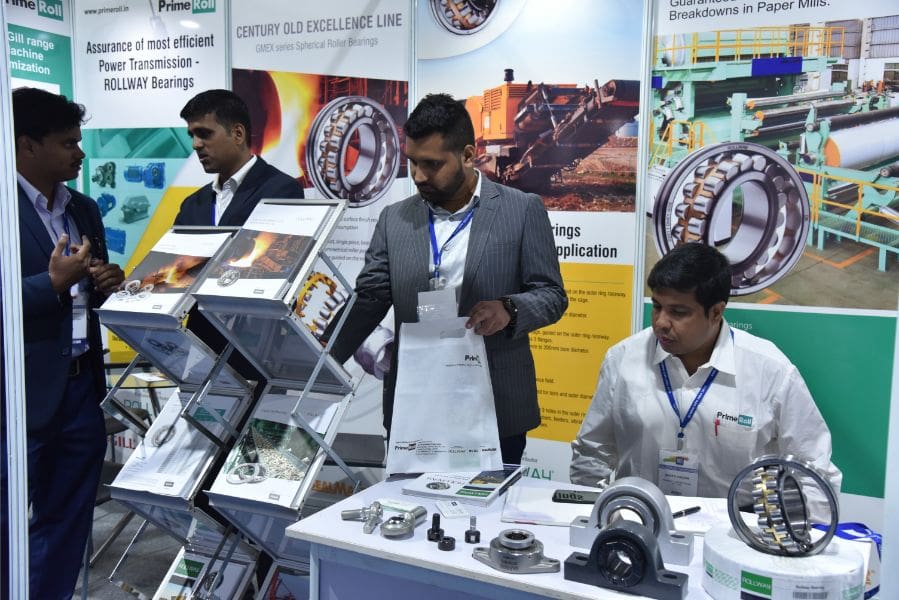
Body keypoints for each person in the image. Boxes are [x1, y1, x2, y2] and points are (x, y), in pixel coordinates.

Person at [329, 93, 567, 464]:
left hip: (493, 404)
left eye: (432, 164)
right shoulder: (394, 219)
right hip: (415, 404)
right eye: (412, 162)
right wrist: (323, 356)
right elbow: (369, 298)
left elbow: (551, 294)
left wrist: (509, 309)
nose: (418, 176)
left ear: (468, 155)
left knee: (489, 502)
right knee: (408, 499)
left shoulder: (521, 210)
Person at [570, 243, 841, 499]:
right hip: (640, 520)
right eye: (657, 306)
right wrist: (603, 514)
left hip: (734, 527)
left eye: (678, 312)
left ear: (716, 312)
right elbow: (591, 452)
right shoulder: (623, 358)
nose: (661, 322)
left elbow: (814, 474)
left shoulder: (770, 372)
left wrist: (773, 528)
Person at [1, 87, 125, 598]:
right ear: (27, 145)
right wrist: (49, 284)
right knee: (8, 526)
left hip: (79, 391)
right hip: (17, 398)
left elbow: (89, 292)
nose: (80, 153)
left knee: (68, 522)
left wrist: (107, 282)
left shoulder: (84, 209)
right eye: (68, 143)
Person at [173, 89, 304, 227]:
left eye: (204, 133)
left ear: (238, 134)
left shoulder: (281, 190)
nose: (195, 144)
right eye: (192, 136)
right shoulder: (191, 205)